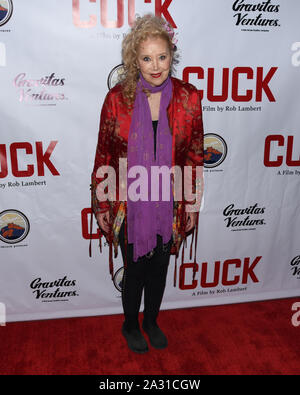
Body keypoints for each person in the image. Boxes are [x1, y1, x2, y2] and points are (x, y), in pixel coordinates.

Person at [91, 13, 204, 354]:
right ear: (133, 60)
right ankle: (129, 325)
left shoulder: (188, 98)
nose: (155, 66)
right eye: (146, 58)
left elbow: (195, 156)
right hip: (130, 202)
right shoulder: (117, 99)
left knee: (159, 268)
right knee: (136, 269)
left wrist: (191, 205)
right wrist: (104, 205)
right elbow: (104, 156)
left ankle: (152, 320)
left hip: (169, 201)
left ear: (172, 54)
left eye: (162, 56)